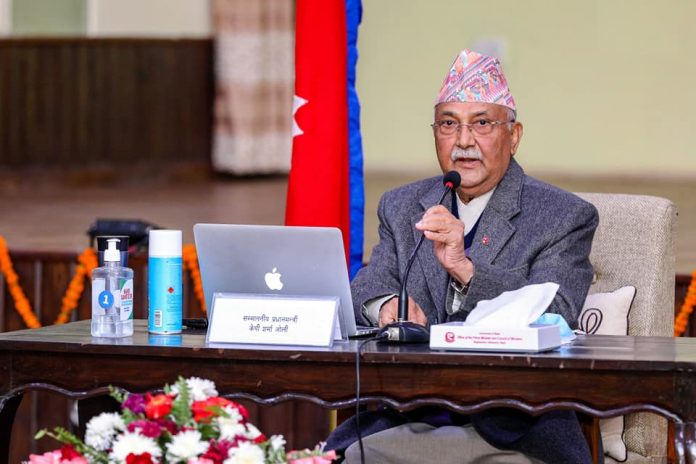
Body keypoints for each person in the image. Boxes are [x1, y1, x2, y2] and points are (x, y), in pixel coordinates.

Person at [327, 50, 600, 464]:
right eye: (449, 124)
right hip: (409, 410)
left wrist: (467, 270)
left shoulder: (562, 216)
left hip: (513, 424)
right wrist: (385, 306)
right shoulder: (403, 206)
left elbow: (556, 312)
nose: (464, 141)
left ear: (514, 136)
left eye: (482, 123)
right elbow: (368, 284)